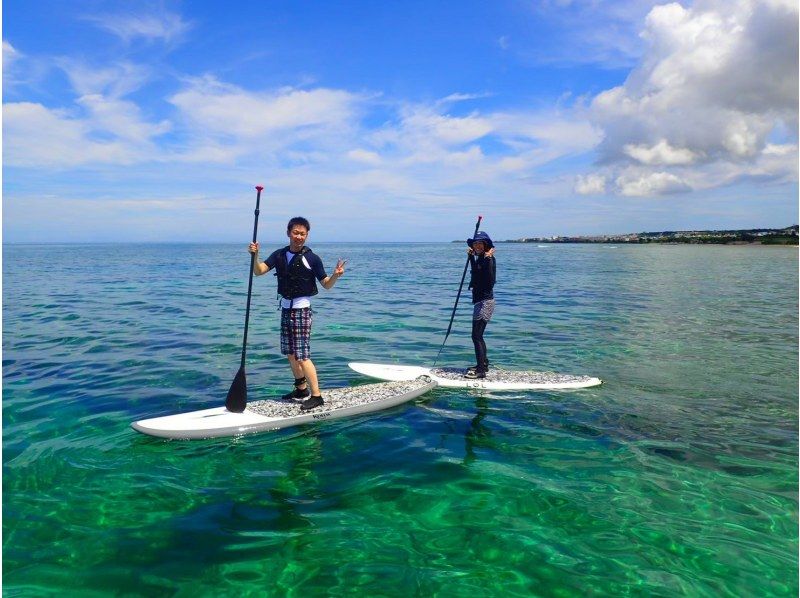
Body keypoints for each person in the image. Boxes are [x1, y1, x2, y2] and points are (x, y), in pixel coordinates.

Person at [248, 217, 346, 410]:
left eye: (303, 234)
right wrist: (255, 255)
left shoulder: (312, 258)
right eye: (296, 233)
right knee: (290, 353)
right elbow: (258, 272)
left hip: (301, 310)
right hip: (285, 308)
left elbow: (326, 285)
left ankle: (316, 395)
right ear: (288, 233)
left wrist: (335, 275)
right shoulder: (279, 255)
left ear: (307, 235)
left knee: (302, 355)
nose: (299, 237)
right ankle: (301, 389)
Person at [465, 231, 496, 379]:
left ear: (485, 245)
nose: (477, 246)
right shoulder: (480, 259)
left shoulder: (488, 260)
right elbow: (475, 274)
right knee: (478, 336)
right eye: (475, 243)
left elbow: (489, 281)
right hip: (479, 302)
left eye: (480, 243)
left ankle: (481, 372)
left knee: (476, 336)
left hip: (486, 302)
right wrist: (471, 258)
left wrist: (485, 259)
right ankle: (483, 364)